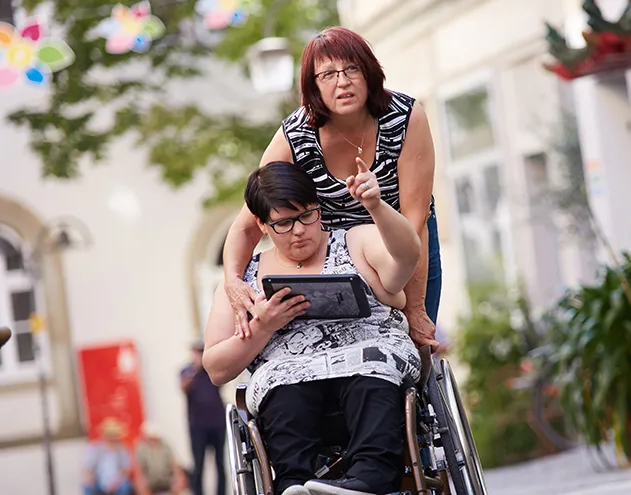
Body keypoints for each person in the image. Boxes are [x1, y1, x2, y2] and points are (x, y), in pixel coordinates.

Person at [203, 160, 422, 495]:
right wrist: (263, 327)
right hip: (290, 375)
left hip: (366, 359)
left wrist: (375, 206)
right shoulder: (242, 283)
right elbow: (216, 368)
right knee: (285, 391)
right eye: (284, 223)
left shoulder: (356, 243)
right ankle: (294, 485)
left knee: (369, 373)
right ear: (262, 224)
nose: (299, 230)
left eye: (307, 214)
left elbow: (405, 259)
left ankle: (370, 479)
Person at [221, 26, 441, 351]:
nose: (343, 82)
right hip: (337, 256)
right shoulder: (296, 135)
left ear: (369, 73)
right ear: (314, 88)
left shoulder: (406, 117)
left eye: (352, 69)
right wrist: (232, 282)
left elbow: (414, 220)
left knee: (416, 343)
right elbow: (247, 224)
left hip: (405, 245)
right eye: (327, 75)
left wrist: (415, 306)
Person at [180, 342, 226, 495]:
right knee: (198, 464)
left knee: (220, 463)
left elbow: (222, 380)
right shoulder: (186, 371)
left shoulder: (211, 370)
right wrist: (195, 369)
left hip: (217, 423)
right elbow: (183, 387)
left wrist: (207, 365)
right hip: (197, 426)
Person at [83, 417, 134, 495]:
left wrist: (116, 482)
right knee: (87, 486)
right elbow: (88, 468)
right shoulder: (95, 448)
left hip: (117, 482)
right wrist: (90, 479)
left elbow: (125, 470)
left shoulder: (122, 449)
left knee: (126, 486)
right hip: (99, 481)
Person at [134, 422, 189, 495]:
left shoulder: (165, 446)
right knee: (140, 483)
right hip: (150, 481)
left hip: (166, 479)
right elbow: (139, 469)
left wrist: (179, 476)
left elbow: (174, 464)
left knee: (180, 479)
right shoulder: (141, 448)